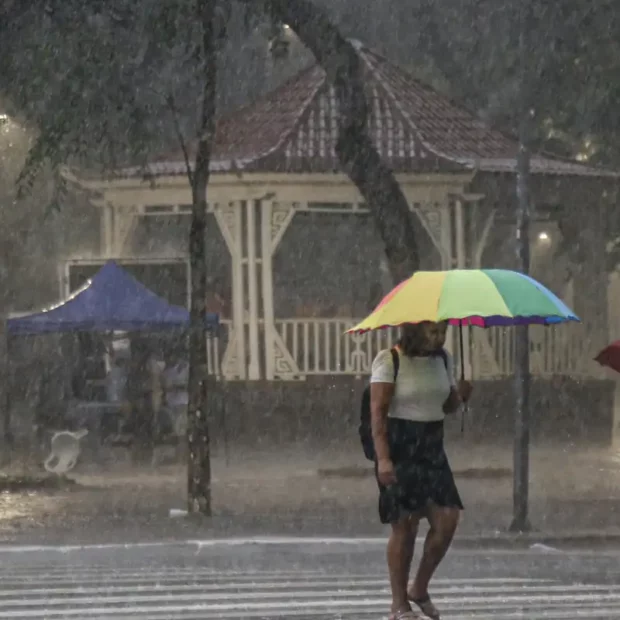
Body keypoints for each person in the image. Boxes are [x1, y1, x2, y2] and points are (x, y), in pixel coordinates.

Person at [370, 321, 473, 620]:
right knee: (406, 525)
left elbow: (445, 406)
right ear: (413, 330)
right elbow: (377, 413)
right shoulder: (390, 360)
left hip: (432, 446)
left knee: (447, 519)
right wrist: (384, 459)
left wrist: (461, 395)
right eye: (432, 331)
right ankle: (398, 603)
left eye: (443, 331)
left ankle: (420, 588)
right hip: (400, 445)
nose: (439, 337)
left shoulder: (443, 359)